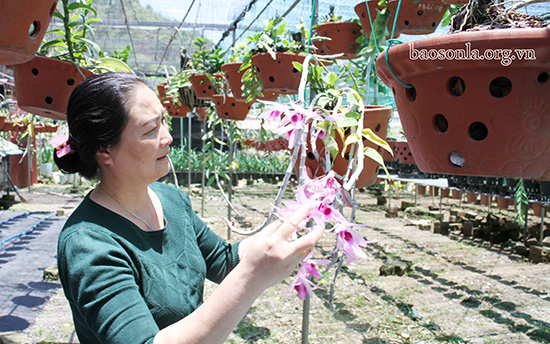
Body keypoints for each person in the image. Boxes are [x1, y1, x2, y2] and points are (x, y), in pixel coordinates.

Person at [54, 72, 323, 344]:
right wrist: (250, 277)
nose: (168, 137)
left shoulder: (170, 200)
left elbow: (221, 259)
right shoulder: (88, 245)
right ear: (105, 151)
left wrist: (281, 232)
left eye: (164, 121)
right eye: (150, 130)